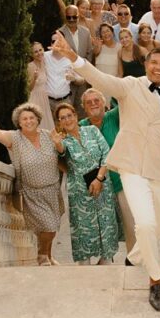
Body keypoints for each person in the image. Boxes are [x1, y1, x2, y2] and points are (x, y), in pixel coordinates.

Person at [51, 33, 160, 311]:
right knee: (144, 225)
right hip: (132, 169)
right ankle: (155, 279)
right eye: (154, 62)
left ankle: (134, 257)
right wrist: (74, 57)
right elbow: (100, 80)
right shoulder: (130, 86)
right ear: (146, 64)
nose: (158, 67)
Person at [0, 102, 61, 265]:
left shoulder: (47, 135)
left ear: (38, 119)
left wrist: (60, 145)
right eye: (24, 119)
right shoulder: (15, 138)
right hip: (32, 192)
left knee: (51, 226)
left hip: (53, 190)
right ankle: (42, 255)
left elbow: (62, 153)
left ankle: (49, 256)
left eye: (31, 117)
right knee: (49, 226)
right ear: (19, 122)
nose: (28, 121)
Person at [54, 102, 119, 265]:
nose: (67, 120)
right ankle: (85, 265)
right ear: (59, 122)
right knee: (83, 229)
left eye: (69, 115)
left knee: (106, 224)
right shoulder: (62, 141)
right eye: (63, 118)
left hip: (103, 185)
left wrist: (99, 179)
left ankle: (106, 261)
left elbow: (106, 153)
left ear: (76, 116)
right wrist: (57, 144)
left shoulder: (92, 130)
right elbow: (60, 156)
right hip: (79, 192)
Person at [79, 88, 136, 259]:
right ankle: (104, 259)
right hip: (97, 184)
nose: (93, 104)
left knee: (131, 224)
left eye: (97, 100)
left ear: (104, 103)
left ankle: (134, 259)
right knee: (101, 225)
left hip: (121, 181)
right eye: (88, 102)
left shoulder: (114, 116)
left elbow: (128, 100)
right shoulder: (81, 127)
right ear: (83, 107)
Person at [25, 41, 51, 118]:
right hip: (35, 99)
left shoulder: (45, 62)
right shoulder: (30, 66)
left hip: (45, 98)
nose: (39, 53)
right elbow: (28, 89)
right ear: (31, 54)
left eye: (40, 50)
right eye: (35, 52)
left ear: (43, 49)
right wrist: (35, 79)